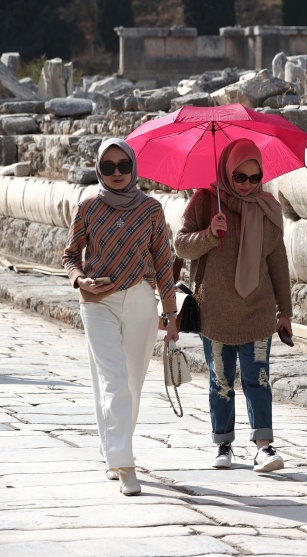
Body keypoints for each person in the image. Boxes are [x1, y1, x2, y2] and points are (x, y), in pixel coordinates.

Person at [63, 138, 179, 496]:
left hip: (142, 301)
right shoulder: (86, 207)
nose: (116, 173)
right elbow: (70, 255)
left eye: (123, 166)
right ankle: (125, 464)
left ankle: (112, 447)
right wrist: (80, 279)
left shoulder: (152, 210)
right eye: (109, 167)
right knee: (113, 380)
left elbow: (164, 263)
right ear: (99, 169)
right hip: (98, 302)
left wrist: (171, 315)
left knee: (131, 383)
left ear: (133, 167)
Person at [174, 138, 293, 473]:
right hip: (213, 311)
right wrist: (211, 234)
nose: (247, 184)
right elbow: (181, 245)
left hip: (257, 309)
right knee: (221, 380)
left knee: (258, 377)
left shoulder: (267, 207)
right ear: (226, 172)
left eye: (255, 178)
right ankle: (223, 443)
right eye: (239, 177)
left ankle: (264, 447)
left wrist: (285, 312)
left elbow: (278, 263)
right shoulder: (204, 201)